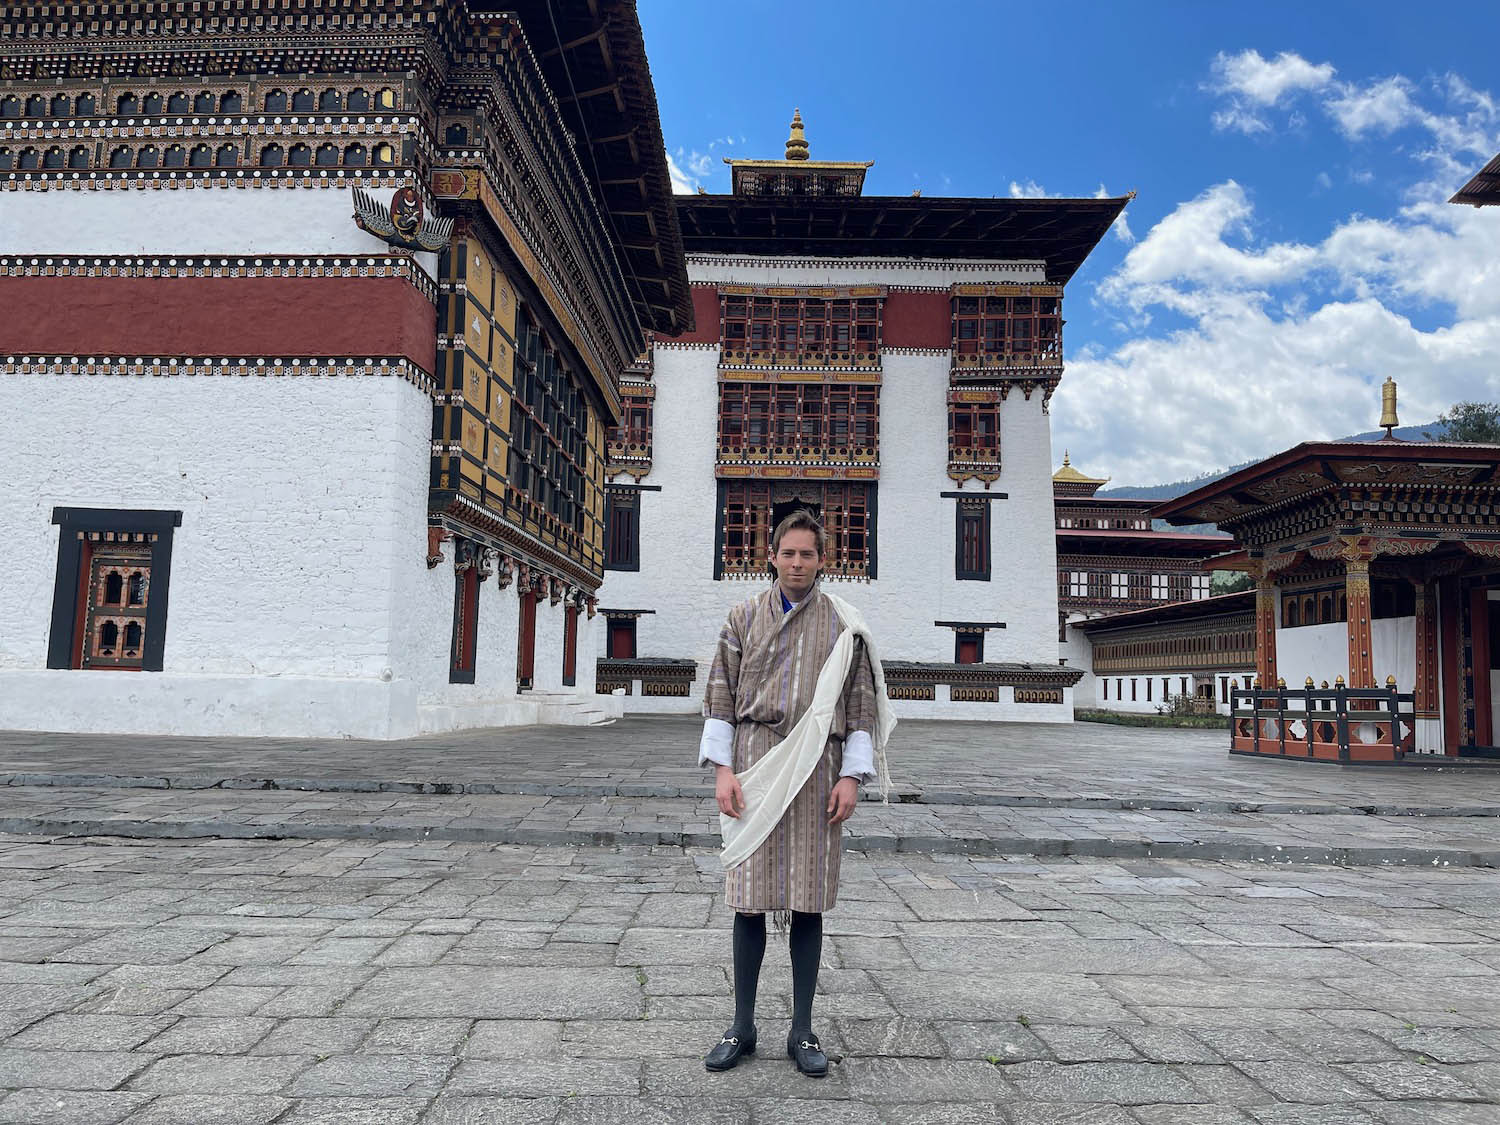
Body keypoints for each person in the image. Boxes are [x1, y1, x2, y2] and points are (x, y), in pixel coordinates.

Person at [697, 508, 894, 1077]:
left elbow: (857, 703)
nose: (798, 563)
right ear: (772, 556)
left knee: (808, 900)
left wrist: (852, 776)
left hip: (817, 765)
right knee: (748, 897)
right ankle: (742, 1025)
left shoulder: (842, 624)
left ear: (822, 559)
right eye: (789, 553)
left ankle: (803, 1030)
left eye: (808, 554)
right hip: (757, 763)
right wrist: (722, 770)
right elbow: (720, 696)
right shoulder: (741, 617)